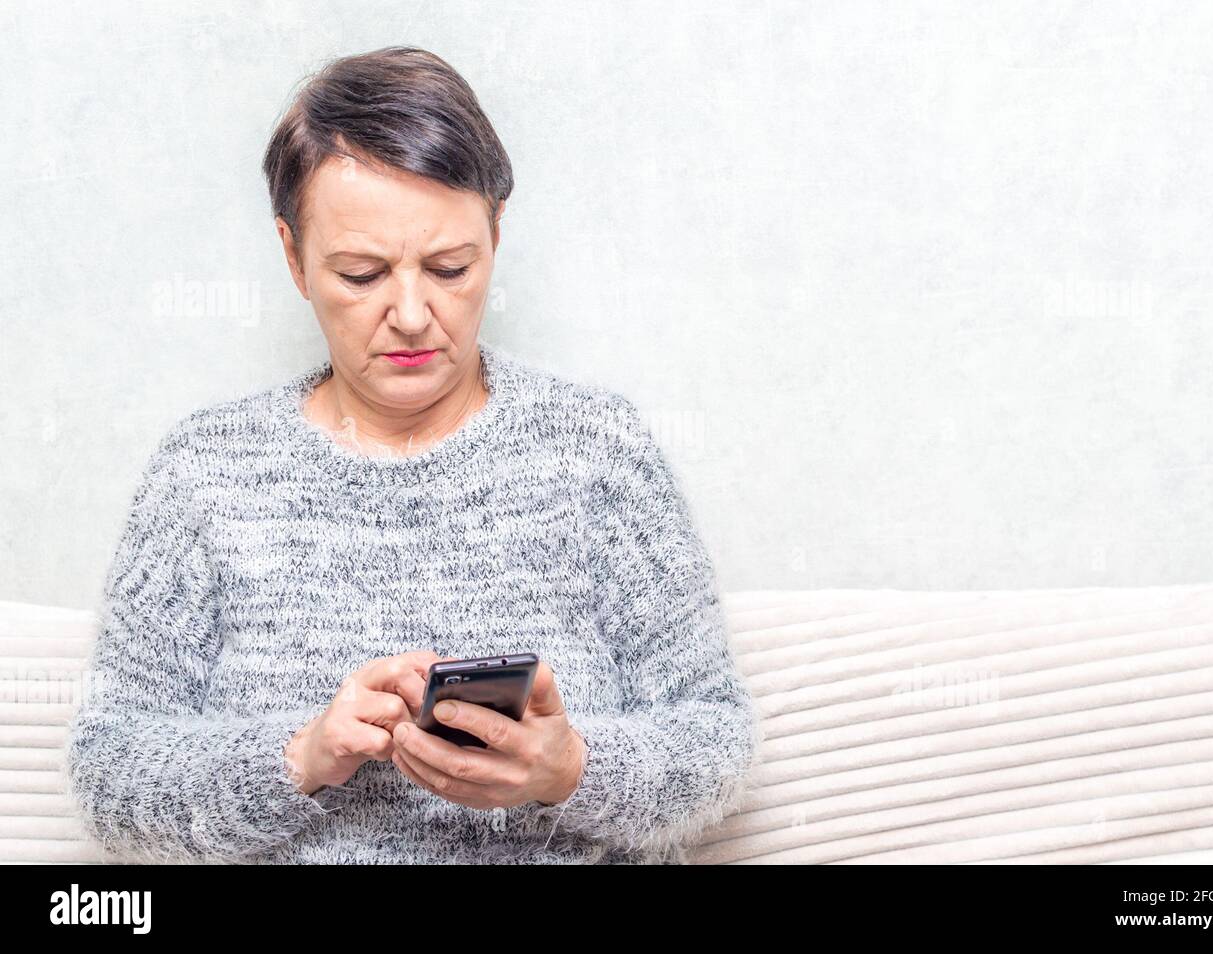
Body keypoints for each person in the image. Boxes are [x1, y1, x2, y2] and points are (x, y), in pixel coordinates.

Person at [62, 46, 760, 864]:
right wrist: (301, 757)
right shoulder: (204, 473)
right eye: (361, 274)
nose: (411, 314)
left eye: (449, 267)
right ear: (293, 257)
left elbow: (717, 738)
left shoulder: (599, 454)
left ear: (495, 237)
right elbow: (109, 775)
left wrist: (569, 769)